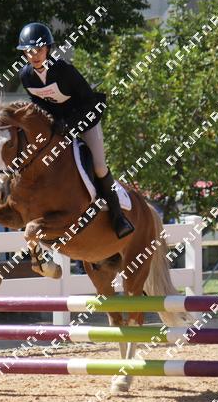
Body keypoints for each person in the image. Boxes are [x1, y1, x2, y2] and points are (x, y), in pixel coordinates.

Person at [17, 22, 134, 239]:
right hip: (58, 126)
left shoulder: (64, 71)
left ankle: (118, 218)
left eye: (39, 49)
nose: (34, 55)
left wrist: (70, 123)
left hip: (84, 119)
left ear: (48, 49)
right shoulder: (26, 75)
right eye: (29, 51)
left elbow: (89, 101)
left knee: (99, 167)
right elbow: (37, 100)